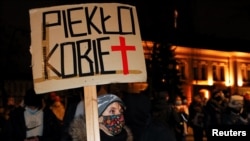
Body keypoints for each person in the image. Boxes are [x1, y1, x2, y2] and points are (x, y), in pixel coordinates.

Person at [69, 94, 133, 141]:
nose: (119, 114)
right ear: (98, 118)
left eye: (120, 111)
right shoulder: (89, 138)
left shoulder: (125, 137)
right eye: (112, 111)